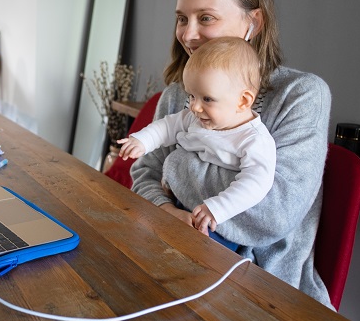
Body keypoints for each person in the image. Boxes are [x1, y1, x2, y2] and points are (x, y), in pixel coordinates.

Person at [130, 0, 333, 309]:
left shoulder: (302, 96)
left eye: (206, 18)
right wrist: (164, 209)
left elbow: (271, 215)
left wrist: (175, 167)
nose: (188, 34)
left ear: (253, 22)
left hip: (267, 292)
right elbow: (143, 173)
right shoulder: (180, 93)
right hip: (172, 257)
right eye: (182, 18)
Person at [118, 36, 276, 251]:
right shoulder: (197, 118)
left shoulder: (253, 140)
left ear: (244, 101)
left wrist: (217, 208)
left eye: (207, 99)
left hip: (217, 221)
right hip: (177, 203)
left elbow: (256, 183)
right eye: (192, 96)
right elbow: (168, 126)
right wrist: (142, 141)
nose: (195, 107)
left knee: (197, 255)